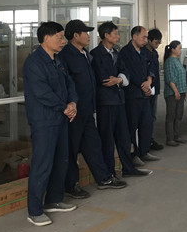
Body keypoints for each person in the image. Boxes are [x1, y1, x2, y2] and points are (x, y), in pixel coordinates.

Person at [60, 20, 126, 200]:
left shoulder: (85, 54)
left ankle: (103, 178)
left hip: (88, 110)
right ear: (76, 35)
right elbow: (66, 85)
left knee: (93, 145)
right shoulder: (66, 56)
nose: (89, 36)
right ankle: (71, 185)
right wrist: (70, 104)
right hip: (74, 112)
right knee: (72, 148)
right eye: (85, 33)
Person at [23, 21, 78, 226]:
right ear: (46, 38)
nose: (63, 41)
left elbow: (70, 84)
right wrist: (64, 107)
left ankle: (54, 200)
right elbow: (42, 92)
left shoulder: (58, 60)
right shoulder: (33, 62)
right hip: (44, 121)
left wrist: (72, 103)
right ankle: (35, 211)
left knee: (61, 160)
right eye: (59, 37)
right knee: (42, 164)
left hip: (61, 118)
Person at [90, 22, 151, 179]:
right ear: (106, 35)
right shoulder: (96, 54)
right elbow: (104, 79)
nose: (118, 36)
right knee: (108, 139)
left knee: (124, 137)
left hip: (119, 100)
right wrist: (119, 80)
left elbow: (125, 73)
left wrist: (119, 79)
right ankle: (110, 172)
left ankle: (128, 168)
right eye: (115, 34)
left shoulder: (116, 53)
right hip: (106, 102)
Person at [119, 26, 158, 164]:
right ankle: (133, 154)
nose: (146, 40)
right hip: (132, 95)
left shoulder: (145, 52)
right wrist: (143, 86)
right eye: (144, 37)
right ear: (134, 36)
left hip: (145, 95)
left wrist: (149, 81)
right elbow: (128, 73)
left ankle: (144, 151)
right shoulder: (125, 52)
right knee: (132, 125)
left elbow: (151, 68)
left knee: (146, 124)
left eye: (146, 37)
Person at [163, 40, 187, 146]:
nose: (180, 50)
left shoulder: (177, 61)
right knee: (171, 116)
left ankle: (177, 136)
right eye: (179, 48)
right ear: (173, 50)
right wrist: (176, 91)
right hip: (172, 93)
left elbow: (181, 76)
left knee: (179, 115)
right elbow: (170, 79)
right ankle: (170, 138)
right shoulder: (169, 62)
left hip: (180, 92)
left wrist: (183, 91)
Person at [145, 28, 165, 151]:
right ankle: (145, 141)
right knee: (146, 117)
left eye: (159, 42)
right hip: (146, 90)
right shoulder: (143, 53)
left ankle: (150, 139)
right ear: (149, 40)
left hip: (155, 89)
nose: (158, 44)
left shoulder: (154, 53)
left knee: (153, 116)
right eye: (156, 42)